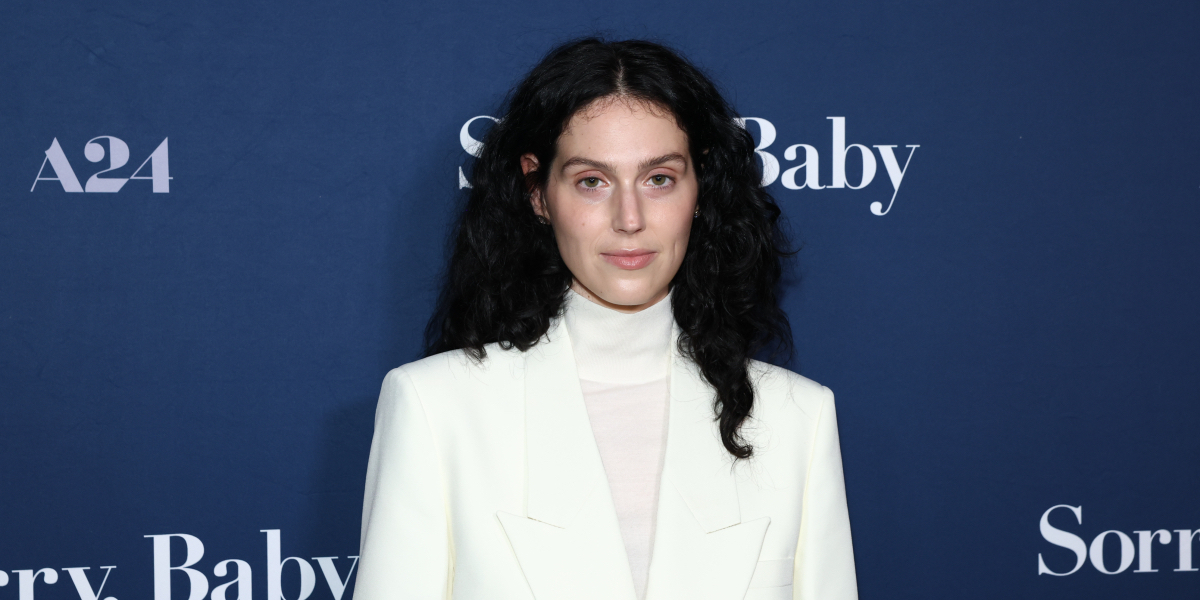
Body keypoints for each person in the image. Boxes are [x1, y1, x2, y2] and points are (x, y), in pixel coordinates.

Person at [352, 38, 858, 600]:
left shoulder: (798, 420)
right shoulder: (435, 409)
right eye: (592, 181)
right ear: (538, 193)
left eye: (659, 178)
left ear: (700, 187)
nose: (630, 219)